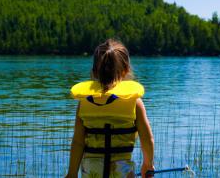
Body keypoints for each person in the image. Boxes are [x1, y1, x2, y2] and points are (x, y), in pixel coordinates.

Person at [66, 39, 154, 178]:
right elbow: (147, 139)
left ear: (94, 71)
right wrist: (148, 165)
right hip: (121, 172)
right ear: (125, 70)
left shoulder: (84, 102)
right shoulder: (134, 102)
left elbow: (78, 142)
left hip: (91, 172)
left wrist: (71, 173)